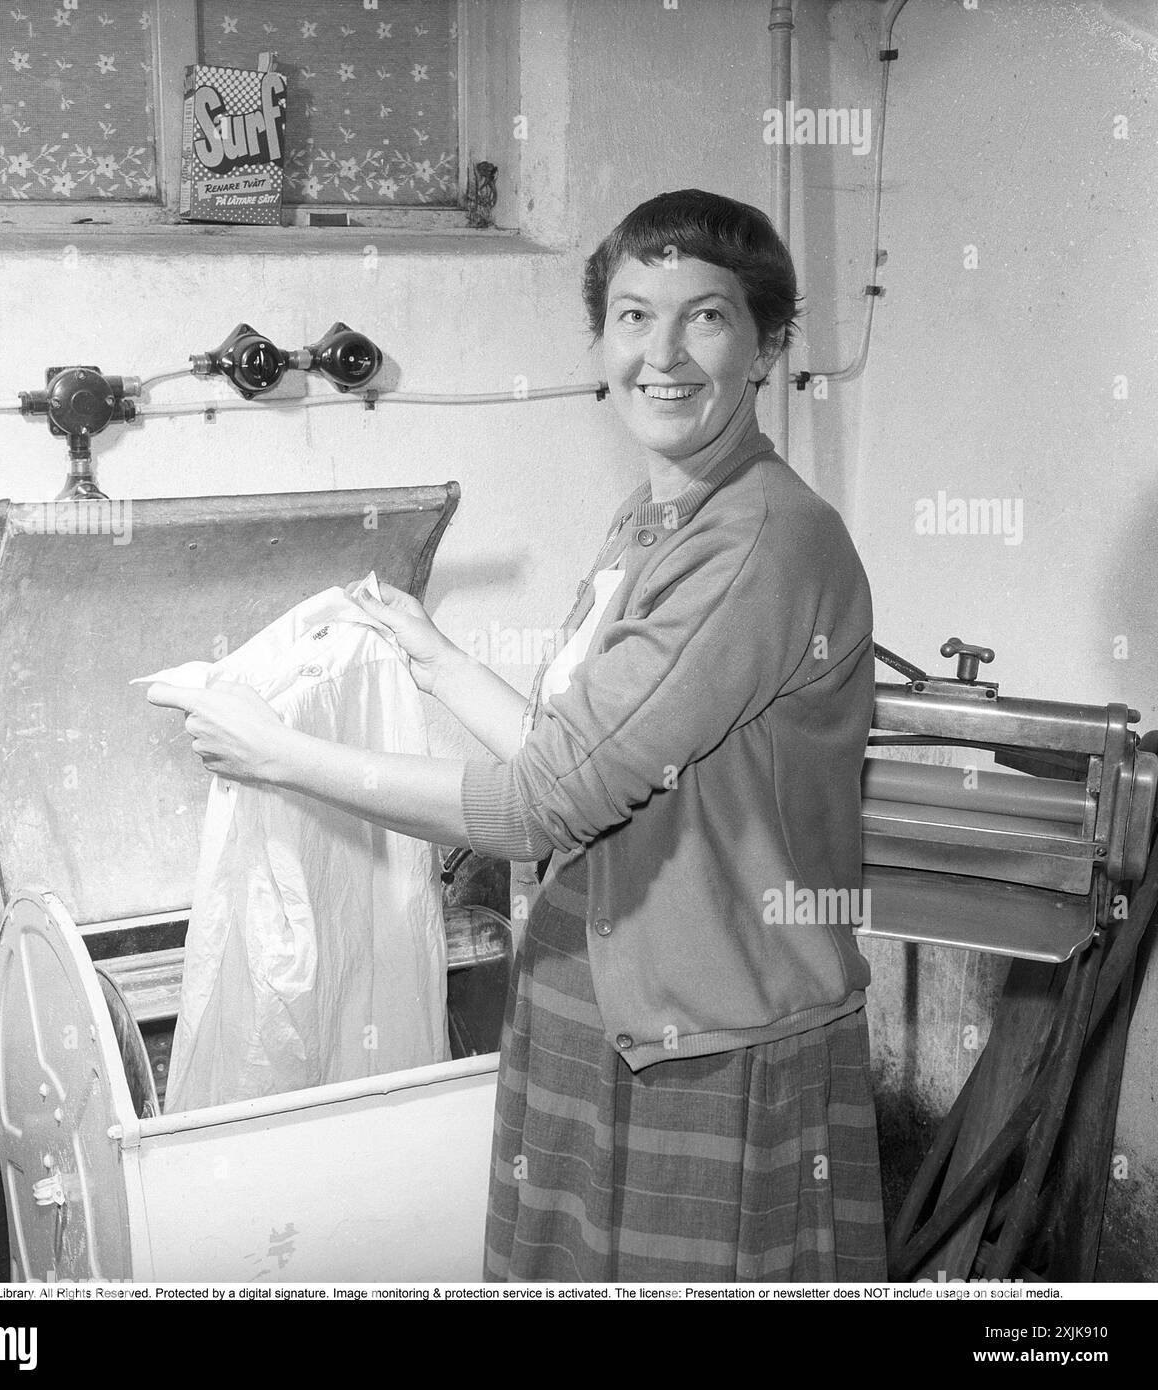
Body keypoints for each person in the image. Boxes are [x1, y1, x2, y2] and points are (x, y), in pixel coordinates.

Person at [147, 188, 886, 1283]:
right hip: (603, 1003)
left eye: (708, 317)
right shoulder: (655, 519)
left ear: (769, 345)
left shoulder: (756, 543)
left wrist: (279, 757)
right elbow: (578, 746)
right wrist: (433, 655)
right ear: (600, 339)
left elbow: (547, 801)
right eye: (634, 315)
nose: (664, 353)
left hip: (716, 1035)